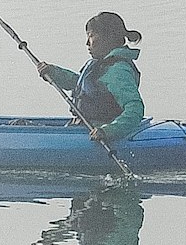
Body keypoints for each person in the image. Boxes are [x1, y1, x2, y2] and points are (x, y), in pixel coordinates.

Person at [37, 11, 148, 148]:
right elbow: (81, 85)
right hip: (83, 126)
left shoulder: (118, 70)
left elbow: (135, 108)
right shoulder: (100, 64)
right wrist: (53, 72)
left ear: (109, 37)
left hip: (98, 132)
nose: (87, 43)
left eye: (91, 36)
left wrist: (108, 131)